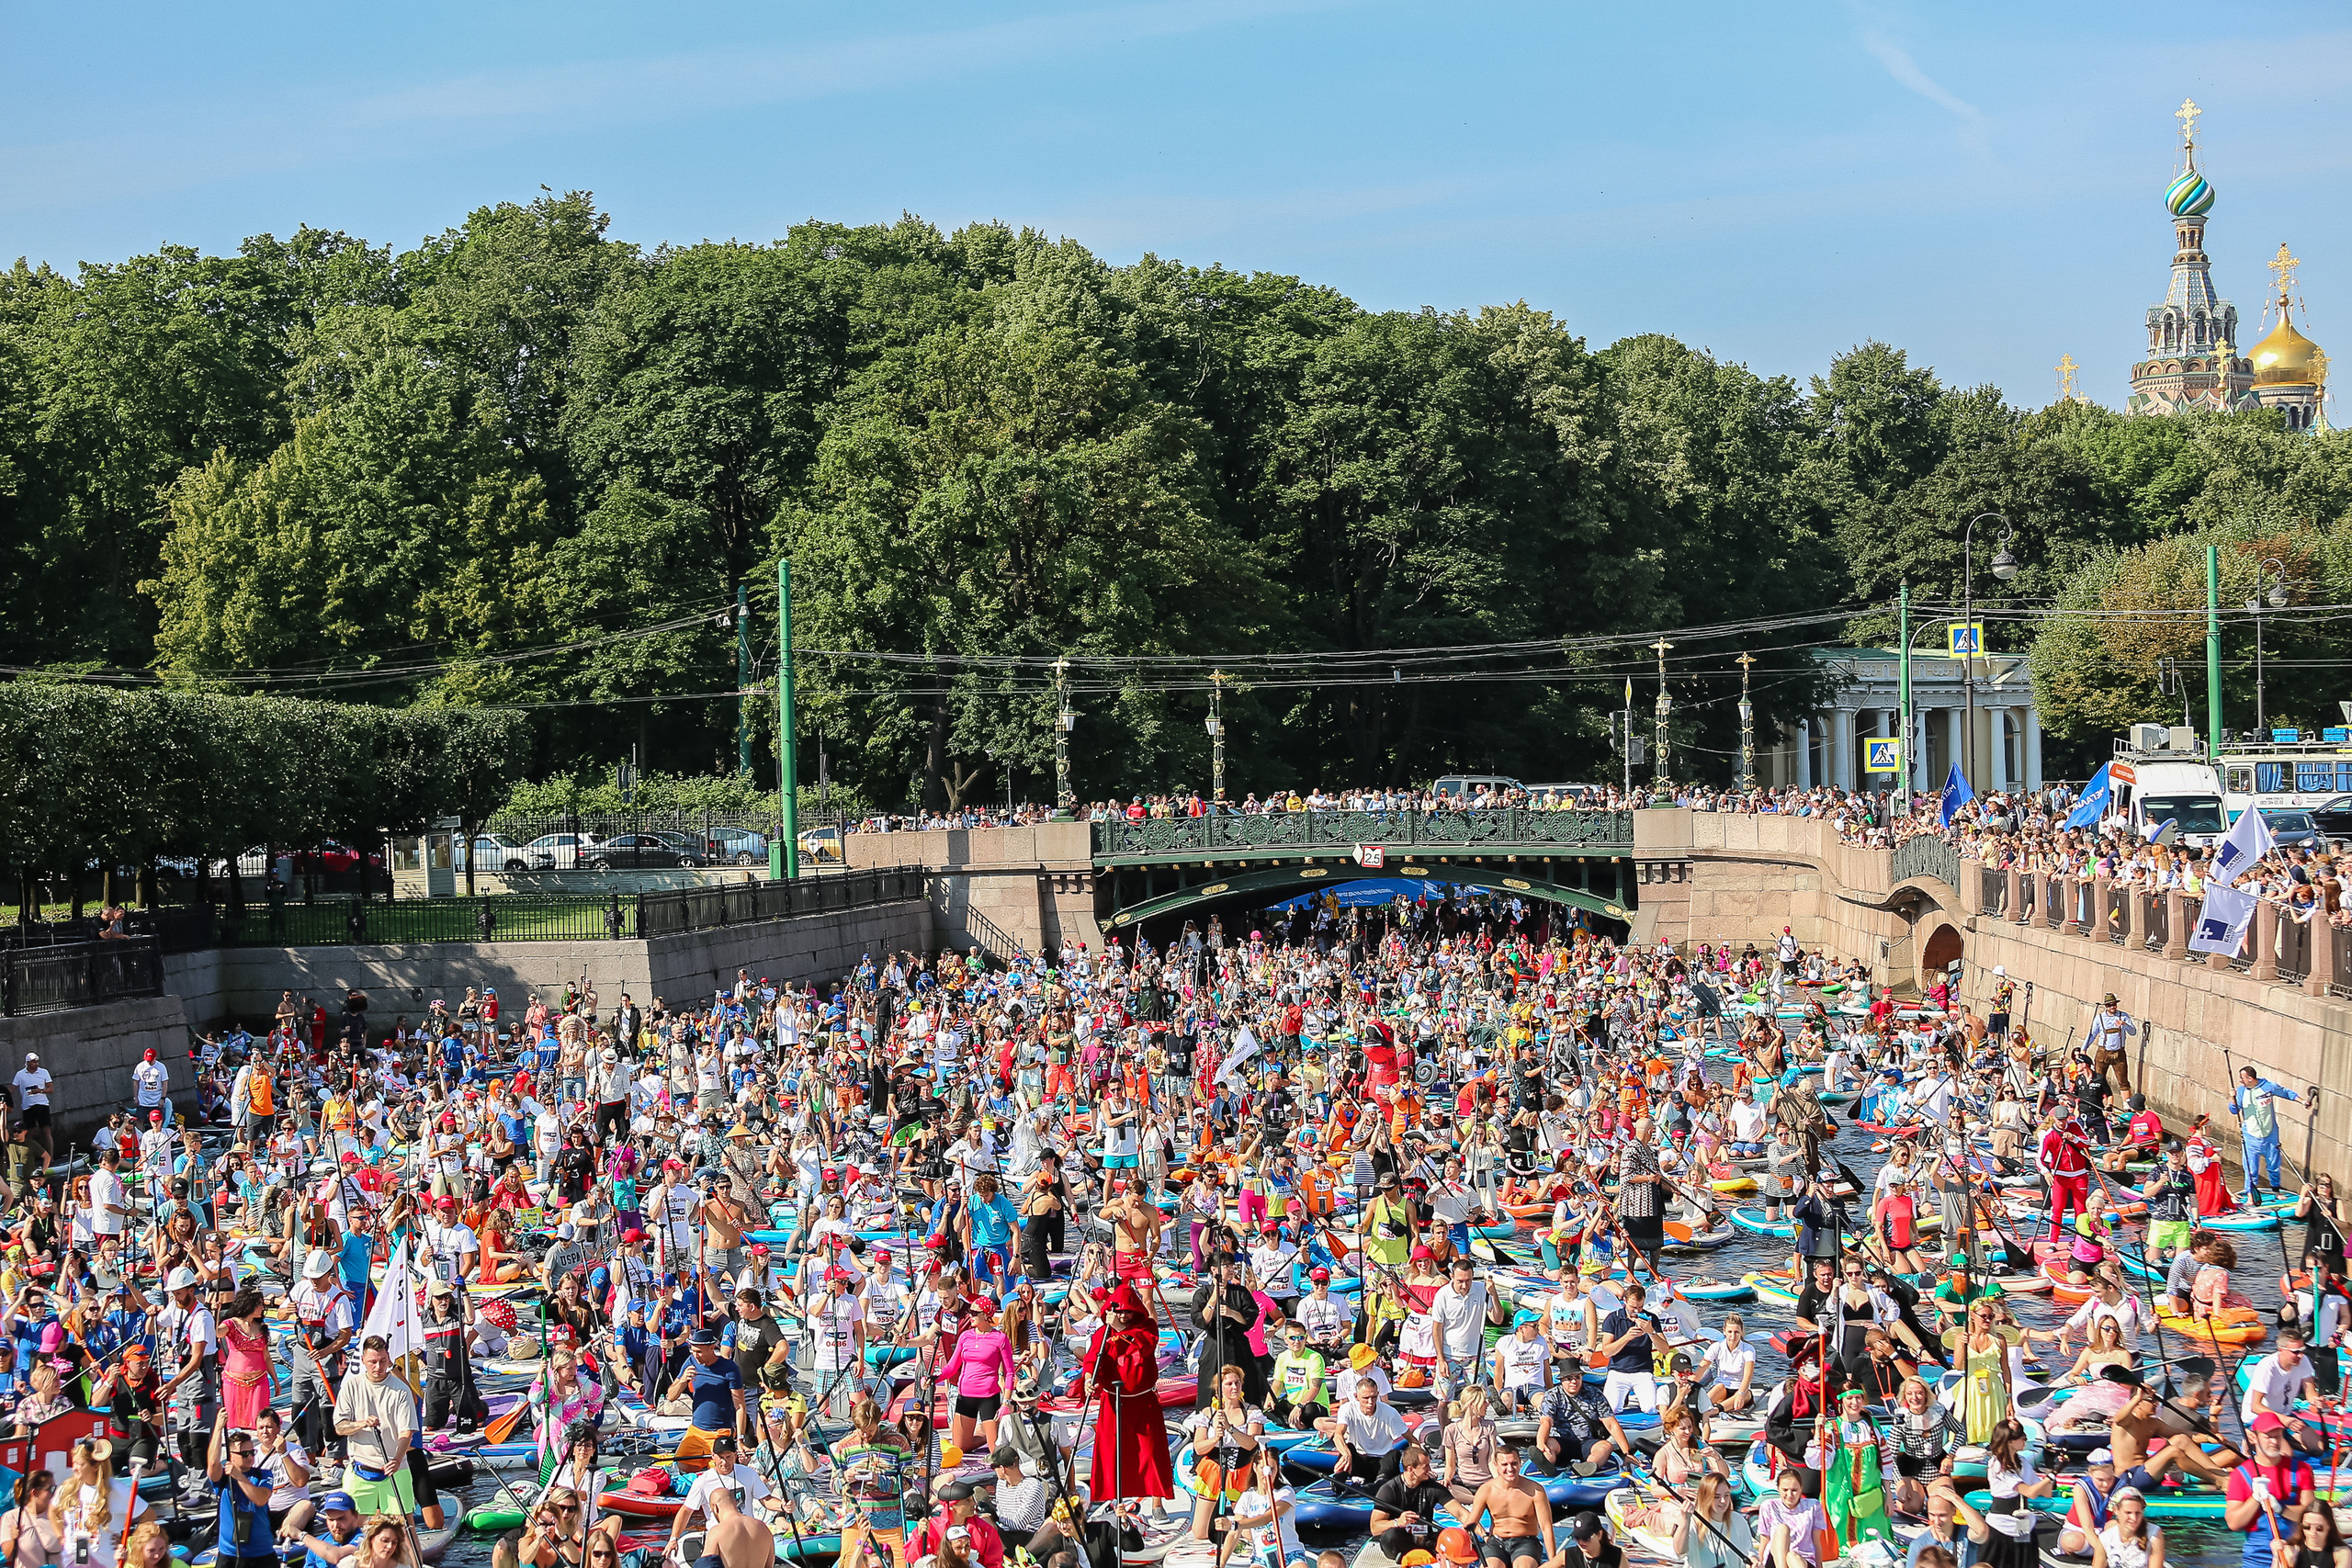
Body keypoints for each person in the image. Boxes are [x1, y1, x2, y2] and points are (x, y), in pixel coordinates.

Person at [331, 1336, 417, 1515]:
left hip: (395, 1468)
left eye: (383, 1361)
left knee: (403, 1526)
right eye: (373, 1362)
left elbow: (406, 1432)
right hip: (360, 1469)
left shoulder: (401, 1390)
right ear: (363, 1361)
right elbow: (340, 1428)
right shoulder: (351, 1386)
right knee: (355, 1527)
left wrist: (397, 1460)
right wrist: (362, 1424)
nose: (378, 1367)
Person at [1459, 1442, 1554, 1568]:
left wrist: (1553, 1561)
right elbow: (1471, 1523)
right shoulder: (1486, 1490)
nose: (1510, 1469)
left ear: (1520, 1463)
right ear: (1496, 1465)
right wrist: (1482, 1535)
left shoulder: (1535, 1491)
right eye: (1504, 1464)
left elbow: (1546, 1528)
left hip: (1526, 1542)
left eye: (1514, 1463)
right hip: (1497, 1541)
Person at [1219, 1444, 1306, 1568]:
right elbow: (1234, 1534)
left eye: (1273, 1469)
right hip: (1261, 1557)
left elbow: (1268, 1517)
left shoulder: (1285, 1492)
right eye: (1264, 1469)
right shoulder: (1247, 1496)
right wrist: (1221, 1564)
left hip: (1290, 1553)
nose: (1268, 1474)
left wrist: (1235, 1524)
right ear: (1255, 1467)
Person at [1368, 1446, 1452, 1562]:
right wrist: (1397, 1522)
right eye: (1425, 1466)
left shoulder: (1432, 1487)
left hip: (1424, 1538)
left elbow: (1459, 1512)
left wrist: (1477, 1531)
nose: (1430, 1469)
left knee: (1450, 1536)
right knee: (1391, 1536)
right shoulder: (1389, 1490)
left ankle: (1425, 1555)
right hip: (1401, 1539)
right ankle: (1413, 1557)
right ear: (1410, 1469)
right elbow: (1375, 1528)